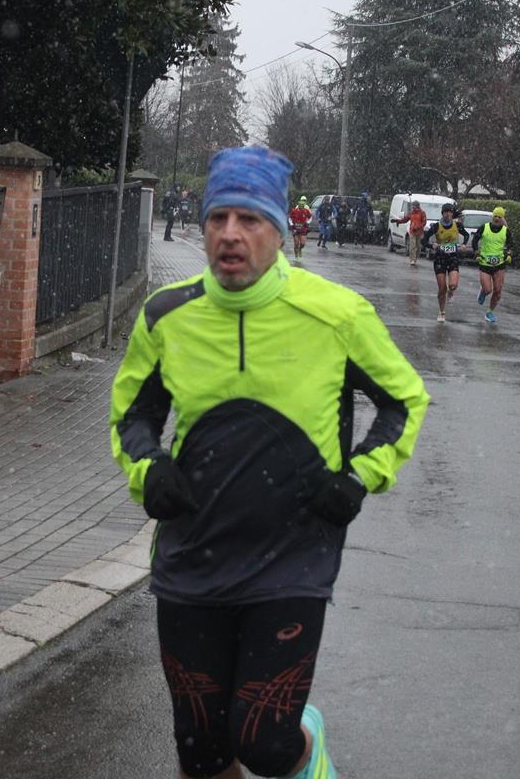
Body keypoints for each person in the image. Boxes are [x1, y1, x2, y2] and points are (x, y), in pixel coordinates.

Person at [110, 145, 430, 779]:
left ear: (280, 231)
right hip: (192, 554)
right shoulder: (167, 315)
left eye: (249, 219)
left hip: (293, 557)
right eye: (218, 217)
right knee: (202, 753)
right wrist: (148, 471)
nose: (230, 234)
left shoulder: (336, 314)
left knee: (264, 743)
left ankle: (306, 742)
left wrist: (359, 478)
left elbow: (404, 400)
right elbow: (132, 417)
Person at [420, 203, 469, 322]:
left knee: (453, 285)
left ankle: (451, 292)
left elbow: (466, 235)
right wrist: (432, 245)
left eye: (450, 212)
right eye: (445, 212)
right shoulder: (437, 226)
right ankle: (441, 312)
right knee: (442, 288)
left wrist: (463, 244)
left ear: (452, 214)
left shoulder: (457, 225)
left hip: (453, 258)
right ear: (442, 213)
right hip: (440, 259)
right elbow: (423, 240)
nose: (448, 214)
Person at [471, 206, 513, 323]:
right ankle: (483, 291)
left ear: (502, 218)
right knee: (488, 289)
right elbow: (475, 241)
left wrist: (509, 254)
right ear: (492, 217)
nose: (497, 219)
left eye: (499, 217)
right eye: (495, 216)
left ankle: (489, 312)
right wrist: (476, 252)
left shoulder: (506, 231)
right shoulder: (484, 227)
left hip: (499, 264)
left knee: (498, 291)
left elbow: (511, 244)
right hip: (485, 263)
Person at [392, 199, 427, 266]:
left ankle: (416, 257)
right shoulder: (411, 213)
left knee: (418, 247)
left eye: (414, 206)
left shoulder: (422, 213)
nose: (413, 207)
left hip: (419, 232)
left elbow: (424, 222)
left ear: (417, 206)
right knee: (412, 246)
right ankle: (412, 259)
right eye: (412, 206)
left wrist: (418, 227)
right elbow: (405, 219)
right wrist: (398, 221)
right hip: (412, 231)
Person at [288, 195, 313, 261]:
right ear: (298, 205)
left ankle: (300, 249)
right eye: (300, 206)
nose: (302, 207)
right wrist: (292, 225)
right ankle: (296, 256)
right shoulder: (294, 211)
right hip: (295, 228)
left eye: (303, 206)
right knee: (296, 243)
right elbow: (290, 218)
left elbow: (310, 217)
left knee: (303, 243)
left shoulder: (306, 210)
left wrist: (307, 222)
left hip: (303, 229)